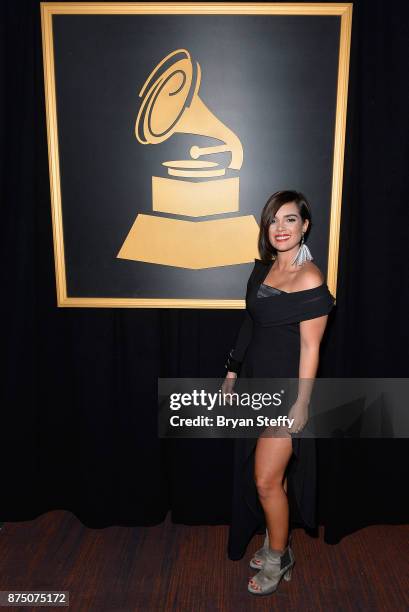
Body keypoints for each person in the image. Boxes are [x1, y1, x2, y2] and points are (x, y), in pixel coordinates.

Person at [222, 190, 336, 596]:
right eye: (274, 220)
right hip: (256, 385)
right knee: (275, 476)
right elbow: (250, 324)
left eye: (290, 219)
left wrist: (302, 403)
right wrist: (232, 373)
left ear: (305, 225)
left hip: (287, 393)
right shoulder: (264, 269)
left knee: (265, 479)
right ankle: (278, 539)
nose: (280, 228)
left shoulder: (310, 278)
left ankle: (278, 555)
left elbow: (310, 347)